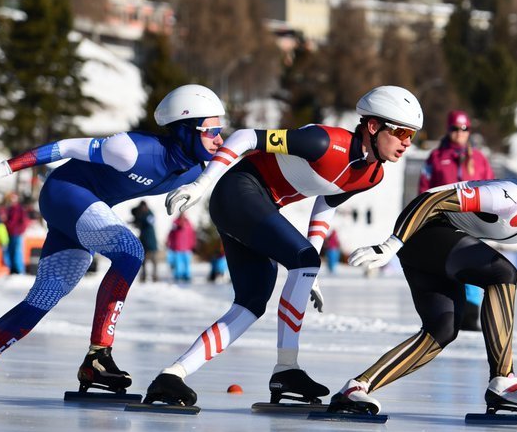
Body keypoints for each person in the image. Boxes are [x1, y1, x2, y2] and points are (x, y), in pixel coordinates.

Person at [0, 84, 227, 396]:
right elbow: (66, 147)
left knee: (42, 298)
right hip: (65, 192)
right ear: (184, 130)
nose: (219, 138)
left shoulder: (197, 168)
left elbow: (243, 147)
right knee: (130, 251)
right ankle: (99, 355)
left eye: (221, 129)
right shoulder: (132, 149)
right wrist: (3, 168)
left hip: (87, 212)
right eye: (212, 130)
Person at [142, 85, 423, 408]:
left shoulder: (372, 175)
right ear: (372, 126)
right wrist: (201, 184)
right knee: (301, 262)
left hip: (260, 206)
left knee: (251, 303)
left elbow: (326, 203)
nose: (406, 142)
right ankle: (287, 367)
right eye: (401, 131)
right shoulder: (324, 142)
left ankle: (173, 375)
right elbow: (247, 137)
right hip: (238, 191)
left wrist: (311, 263)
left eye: (412, 136)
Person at [328, 138, 517, 416]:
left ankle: (356, 388)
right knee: (503, 273)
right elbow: (431, 199)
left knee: (442, 330)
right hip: (423, 229)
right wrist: (391, 244)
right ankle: (504, 380)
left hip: (436, 249)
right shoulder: (510, 195)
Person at [419, 110, 494, 330]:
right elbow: (424, 189)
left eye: (464, 129)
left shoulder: (479, 158)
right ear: (448, 129)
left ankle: (471, 312)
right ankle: (446, 310)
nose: (459, 133)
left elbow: (492, 187)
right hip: (444, 221)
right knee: (446, 265)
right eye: (455, 129)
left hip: (473, 221)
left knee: (473, 263)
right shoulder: (436, 157)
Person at [0, 192, 32, 274]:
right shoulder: (10, 209)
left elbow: (17, 222)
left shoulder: (18, 209)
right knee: (10, 251)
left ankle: (18, 270)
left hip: (16, 233)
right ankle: (13, 269)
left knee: (16, 252)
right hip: (11, 233)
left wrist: (6, 222)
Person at [130, 201, 160, 282]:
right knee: (143, 262)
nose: (142, 209)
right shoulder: (141, 215)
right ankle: (143, 277)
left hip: (151, 242)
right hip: (143, 242)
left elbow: (149, 222)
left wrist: (138, 220)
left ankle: (155, 277)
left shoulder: (149, 214)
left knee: (154, 261)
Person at [166, 213, 196, 282]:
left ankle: (186, 275)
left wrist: (193, 244)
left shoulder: (189, 224)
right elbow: (170, 234)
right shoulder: (175, 224)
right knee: (178, 263)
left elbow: (192, 235)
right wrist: (169, 243)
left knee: (187, 263)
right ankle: (178, 275)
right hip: (177, 247)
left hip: (187, 248)